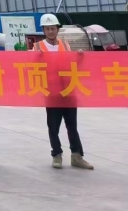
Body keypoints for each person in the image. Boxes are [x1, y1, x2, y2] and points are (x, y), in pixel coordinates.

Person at [36, 13, 93, 170]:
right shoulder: (37, 47)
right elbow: (28, 66)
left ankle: (77, 156)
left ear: (57, 29)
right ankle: (57, 155)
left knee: (72, 126)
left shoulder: (66, 45)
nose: (50, 31)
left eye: (53, 28)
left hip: (68, 91)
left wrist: (79, 56)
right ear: (43, 30)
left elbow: (74, 65)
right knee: (53, 127)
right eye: (47, 29)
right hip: (52, 93)